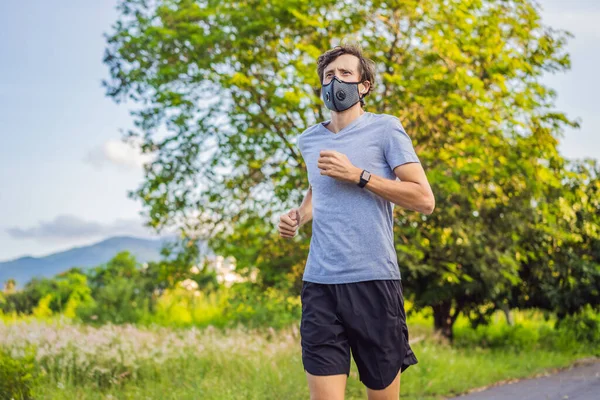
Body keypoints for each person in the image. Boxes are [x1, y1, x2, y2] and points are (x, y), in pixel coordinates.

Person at [278, 43, 435, 400]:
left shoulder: (386, 130)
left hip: (374, 281)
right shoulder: (309, 139)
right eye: (329, 76)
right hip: (320, 284)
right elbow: (319, 190)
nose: (337, 81)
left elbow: (424, 199)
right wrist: (298, 217)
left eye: (346, 74)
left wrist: (359, 175)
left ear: (364, 85)